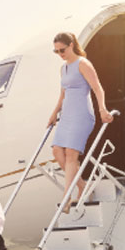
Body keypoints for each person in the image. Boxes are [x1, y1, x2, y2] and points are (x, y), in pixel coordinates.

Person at [47, 32, 113, 211]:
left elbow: (97, 88)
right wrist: (54, 114)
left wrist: (102, 109)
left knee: (70, 154)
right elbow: (62, 95)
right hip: (67, 116)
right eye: (56, 51)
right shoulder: (63, 68)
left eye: (62, 50)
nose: (60, 54)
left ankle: (67, 198)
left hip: (82, 114)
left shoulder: (83, 64)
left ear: (71, 46)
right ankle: (82, 186)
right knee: (56, 152)